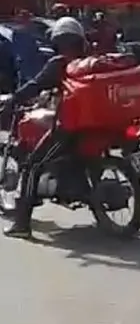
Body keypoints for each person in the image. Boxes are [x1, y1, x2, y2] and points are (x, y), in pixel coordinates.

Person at [2, 16, 87, 239]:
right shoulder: (88, 60)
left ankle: (22, 224)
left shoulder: (58, 63)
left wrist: (14, 98)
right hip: (96, 125)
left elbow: (36, 84)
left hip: (71, 127)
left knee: (31, 166)